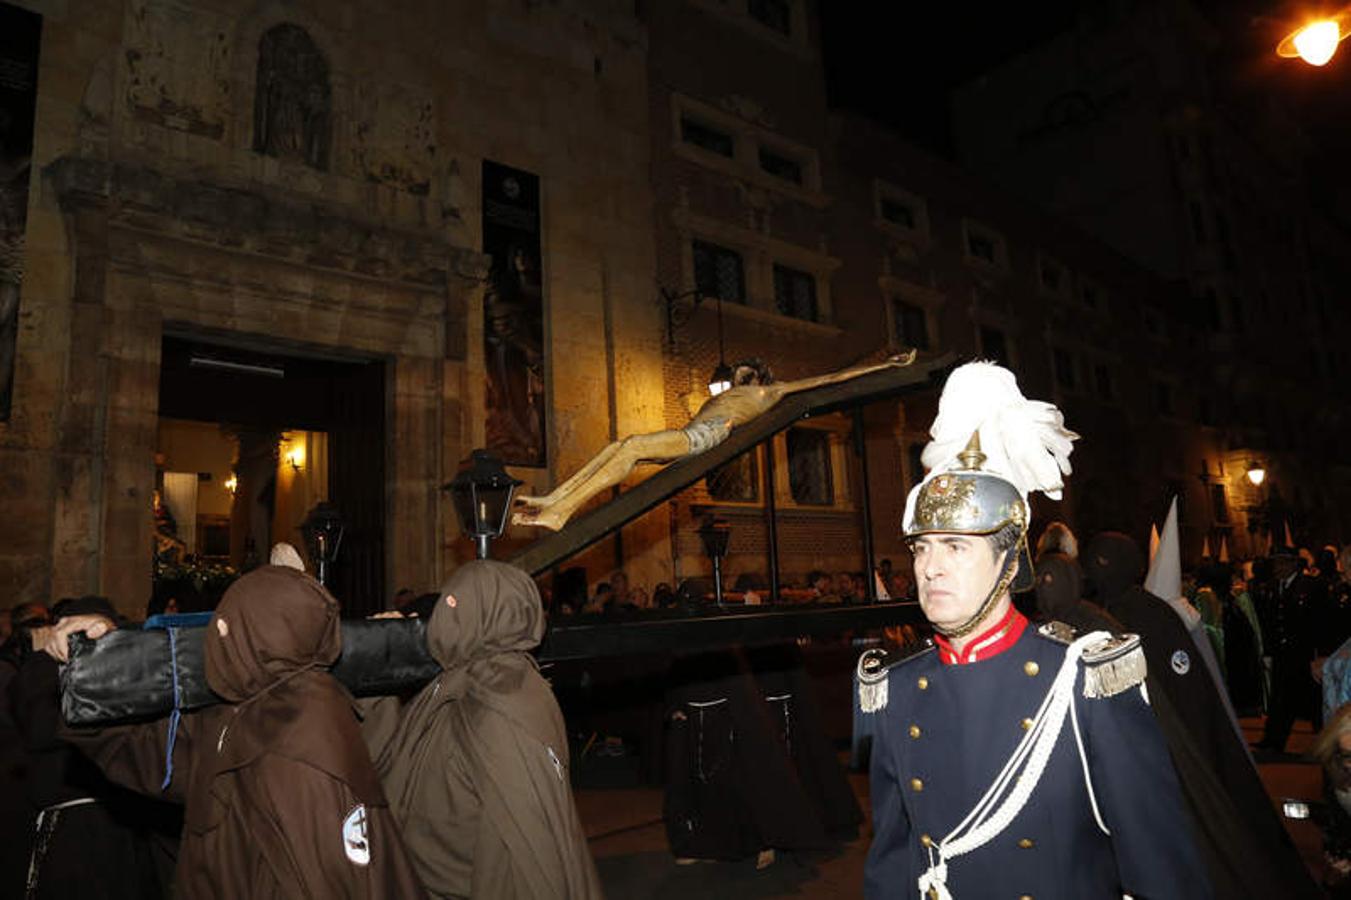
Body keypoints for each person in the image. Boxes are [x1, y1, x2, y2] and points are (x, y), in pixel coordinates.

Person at [860, 361, 1210, 899]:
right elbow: (891, 860)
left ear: (1009, 561)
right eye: (922, 547)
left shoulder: (1085, 680)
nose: (930, 567)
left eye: (956, 546)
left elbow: (1159, 865)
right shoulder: (896, 687)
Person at [46, 566, 426, 899]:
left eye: (223, 623)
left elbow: (330, 879)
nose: (215, 634)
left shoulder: (302, 736)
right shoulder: (239, 710)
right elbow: (145, 755)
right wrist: (97, 668)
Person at [1083, 532, 1321, 898]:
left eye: (1103, 561)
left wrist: (1190, 745)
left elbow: (1186, 689)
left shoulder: (1151, 615)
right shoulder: (1102, 614)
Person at [363, 561, 602, 899]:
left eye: (454, 604)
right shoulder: (470, 680)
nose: (445, 616)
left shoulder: (499, 701)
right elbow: (398, 756)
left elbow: (521, 847)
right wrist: (379, 660)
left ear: (489, 614)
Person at [512, 351, 915, 530]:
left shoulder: (769, 393)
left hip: (701, 438)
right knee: (621, 448)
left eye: (742, 370)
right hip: (693, 433)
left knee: (632, 445)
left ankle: (560, 510)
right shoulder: (727, 394)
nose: (736, 373)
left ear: (756, 377)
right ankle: (555, 504)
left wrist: (884, 364)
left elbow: (831, 379)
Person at [1255, 545, 1323, 751]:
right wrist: (1268, 652)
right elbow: (1269, 623)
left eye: (1282, 562)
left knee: (1314, 702)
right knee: (1279, 700)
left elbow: (1319, 623)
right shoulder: (1273, 588)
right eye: (1275, 562)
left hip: (1304, 655)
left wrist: (1318, 655)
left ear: (1294, 563)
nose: (1277, 566)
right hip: (1282, 655)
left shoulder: (1311, 586)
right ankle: (1273, 740)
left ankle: (1326, 742)